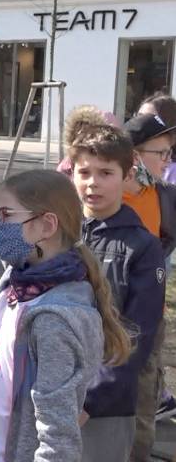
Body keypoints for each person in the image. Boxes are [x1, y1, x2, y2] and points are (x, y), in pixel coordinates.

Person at [0, 116, 131, 462]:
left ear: (45, 225)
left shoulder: (56, 318)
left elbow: (58, 433)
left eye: (5, 215)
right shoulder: (18, 272)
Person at [68, 124, 166, 462]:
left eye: (106, 172)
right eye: (85, 172)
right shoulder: (58, 232)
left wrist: (90, 400)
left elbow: (136, 334)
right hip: (51, 389)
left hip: (105, 405)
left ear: (128, 175)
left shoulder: (142, 247)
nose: (93, 182)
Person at [120, 113, 176, 459]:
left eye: (171, 154)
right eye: (163, 153)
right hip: (105, 318)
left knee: (141, 410)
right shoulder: (103, 195)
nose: (168, 161)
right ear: (136, 155)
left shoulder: (165, 196)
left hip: (149, 321)